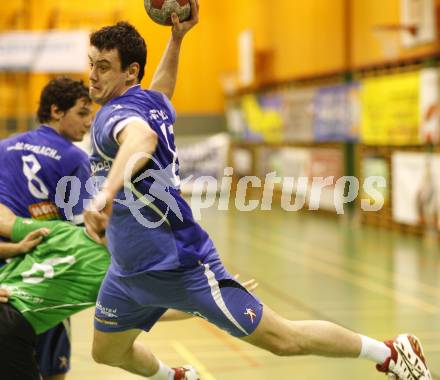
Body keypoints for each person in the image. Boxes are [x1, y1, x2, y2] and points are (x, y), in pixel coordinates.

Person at [83, 2, 431, 379]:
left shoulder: (111, 118)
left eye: (103, 68)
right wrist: (177, 39)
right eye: (91, 65)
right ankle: (176, 377)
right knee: (107, 351)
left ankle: (391, 352)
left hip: (179, 266)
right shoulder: (148, 102)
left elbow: (142, 138)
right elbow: (161, 93)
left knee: (284, 339)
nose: (92, 76)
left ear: (130, 72)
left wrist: (106, 193)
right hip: (127, 273)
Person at [0, 203, 257, 380]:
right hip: (11, 326)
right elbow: (164, 311)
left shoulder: (60, 230)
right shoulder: (115, 273)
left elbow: (7, 221)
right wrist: (215, 300)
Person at [0, 77, 93, 380]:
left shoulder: (4, 147)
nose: (88, 122)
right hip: (45, 275)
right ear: (56, 110)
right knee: (52, 368)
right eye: (82, 113)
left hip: (5, 268)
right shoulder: (74, 158)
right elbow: (84, 231)